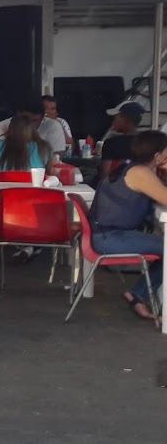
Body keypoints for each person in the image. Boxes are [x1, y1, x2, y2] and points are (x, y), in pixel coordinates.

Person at [89, 130, 167, 324]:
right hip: (110, 238)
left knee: (163, 245)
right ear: (158, 155)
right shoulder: (140, 173)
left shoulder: (129, 167)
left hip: (106, 235)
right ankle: (140, 294)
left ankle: (138, 294)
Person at [0, 103, 65, 167]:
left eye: (34, 120)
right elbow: (50, 170)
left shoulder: (0, 144)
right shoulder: (43, 147)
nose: (31, 124)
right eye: (27, 120)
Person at [99, 103, 144, 179]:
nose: (113, 122)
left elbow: (104, 175)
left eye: (115, 118)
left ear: (126, 121)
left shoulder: (111, 143)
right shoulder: (147, 142)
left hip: (115, 187)